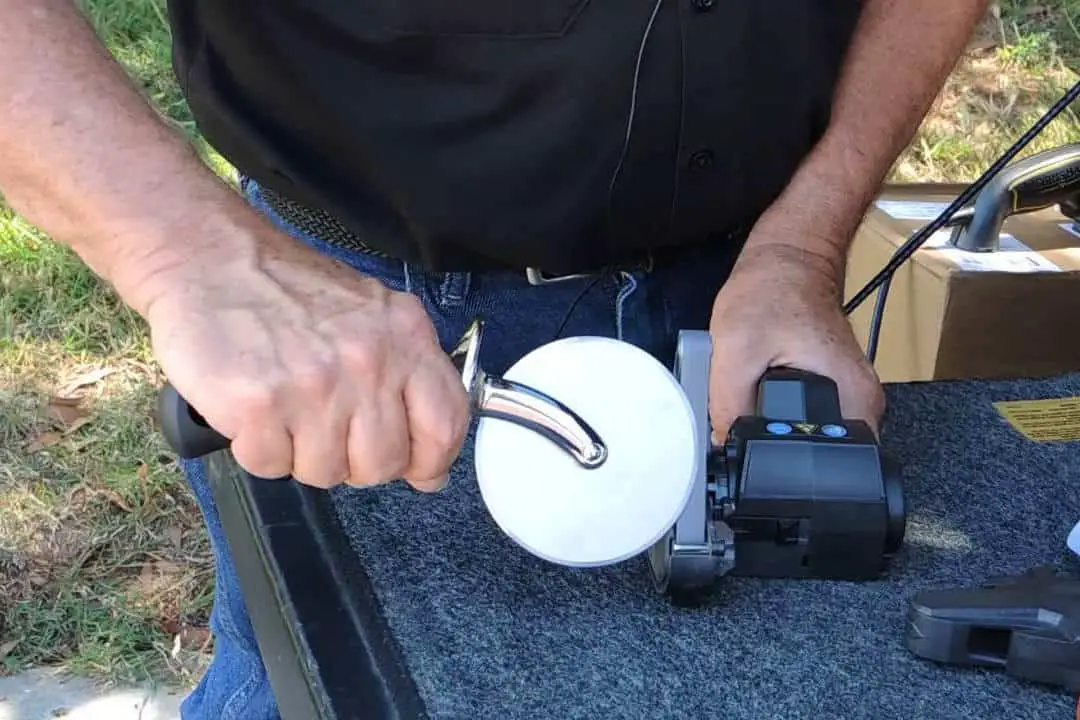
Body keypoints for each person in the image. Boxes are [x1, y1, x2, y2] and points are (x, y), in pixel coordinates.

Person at [1, 0, 988, 717]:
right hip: (358, 322)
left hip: (751, 293)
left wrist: (803, 249)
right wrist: (195, 257)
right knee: (316, 689)